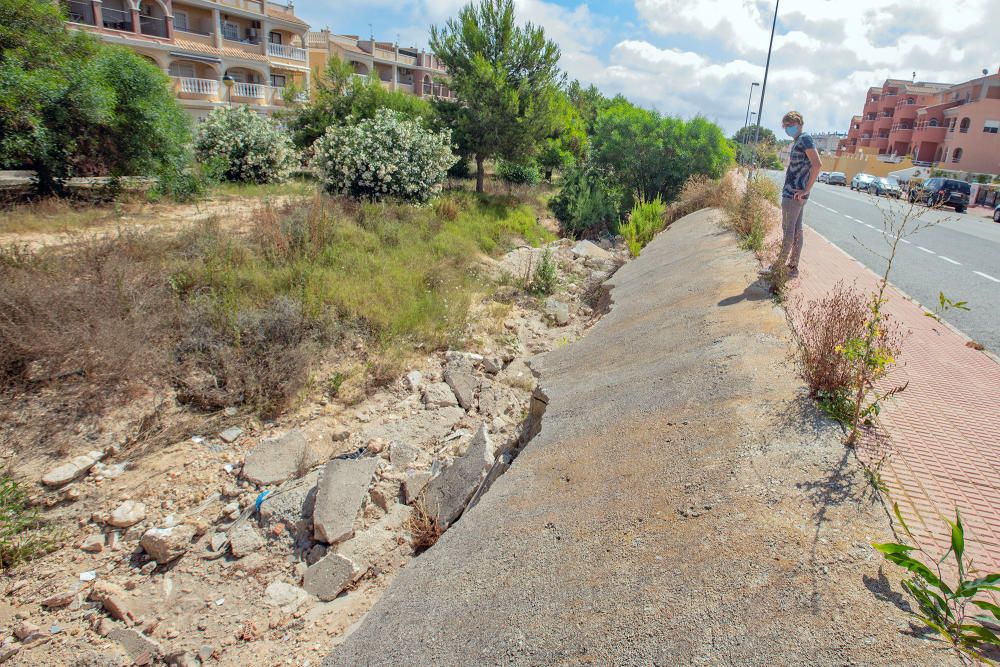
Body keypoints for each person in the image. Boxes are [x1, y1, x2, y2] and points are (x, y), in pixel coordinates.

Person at [777, 111, 821, 277]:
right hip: (795, 194)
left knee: (788, 230)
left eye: (791, 125)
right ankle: (792, 267)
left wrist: (806, 190)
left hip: (793, 195)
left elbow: (817, 165)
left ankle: (778, 268)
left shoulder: (805, 139)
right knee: (796, 230)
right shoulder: (799, 141)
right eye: (786, 126)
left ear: (800, 124)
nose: (788, 128)